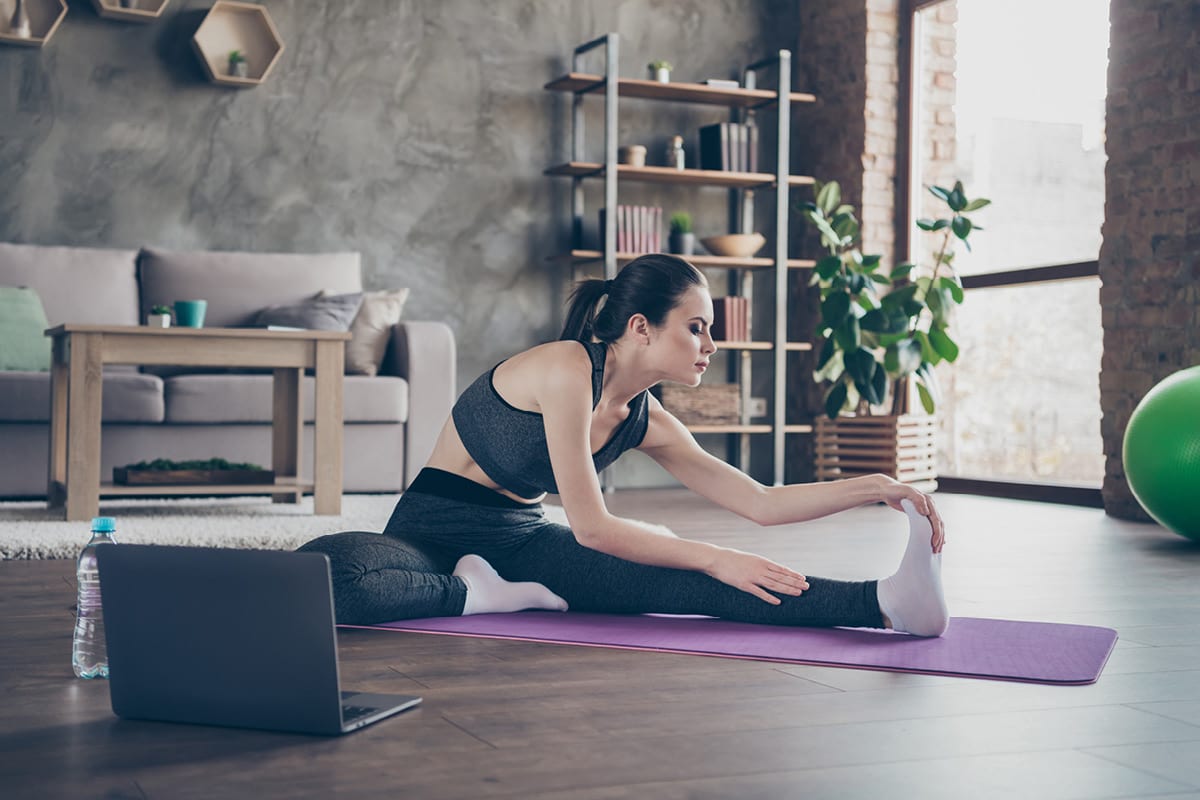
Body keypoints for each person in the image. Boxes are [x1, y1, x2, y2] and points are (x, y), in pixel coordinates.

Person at [299, 254, 949, 636]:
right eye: (696, 328)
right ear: (641, 327)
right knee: (330, 579)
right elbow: (590, 527)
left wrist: (879, 487)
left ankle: (886, 603)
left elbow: (762, 502)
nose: (710, 345)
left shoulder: (649, 420)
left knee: (687, 586)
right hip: (427, 536)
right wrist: (709, 552)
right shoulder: (562, 369)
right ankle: (481, 595)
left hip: (523, 544)